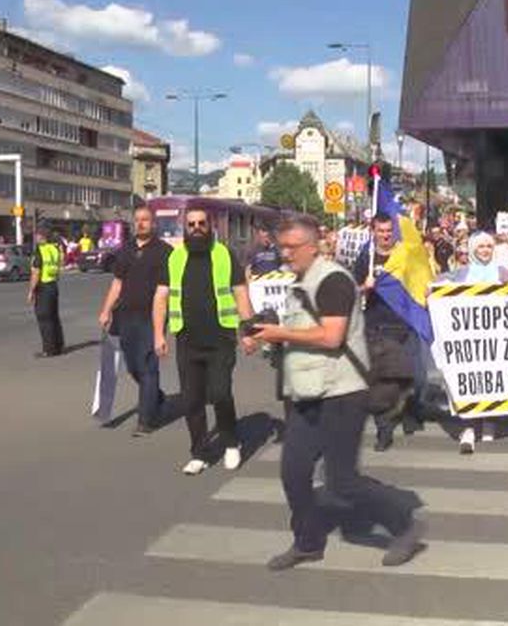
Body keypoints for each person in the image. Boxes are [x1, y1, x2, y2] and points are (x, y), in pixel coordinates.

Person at [252, 214, 426, 571]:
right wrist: (266, 336)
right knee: (294, 472)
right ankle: (307, 542)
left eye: (292, 247)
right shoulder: (301, 280)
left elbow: (331, 336)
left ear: (313, 246)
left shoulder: (333, 280)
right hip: (307, 393)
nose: (285, 254)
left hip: (342, 394)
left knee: (342, 482)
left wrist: (279, 335)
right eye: (282, 246)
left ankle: (404, 527)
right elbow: (303, 330)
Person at [153, 207, 255, 475]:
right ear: (185, 228)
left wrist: (249, 332)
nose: (196, 228)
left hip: (221, 338)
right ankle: (199, 452)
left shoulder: (224, 254)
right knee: (192, 400)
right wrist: (158, 334)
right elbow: (161, 297)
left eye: (201, 223)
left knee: (220, 393)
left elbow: (240, 292)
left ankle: (231, 442)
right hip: (187, 339)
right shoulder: (175, 257)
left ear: (210, 226)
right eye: (191, 224)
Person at [97, 206, 174, 436]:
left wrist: (160, 331)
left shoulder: (164, 252)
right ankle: (155, 397)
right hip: (126, 316)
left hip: (152, 317)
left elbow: (163, 291)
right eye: (137, 220)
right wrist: (106, 310)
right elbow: (117, 284)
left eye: (145, 220)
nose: (141, 223)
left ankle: (146, 420)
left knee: (149, 365)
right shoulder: (126, 250)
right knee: (133, 367)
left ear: (153, 223)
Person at [354, 214, 421, 452]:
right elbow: (353, 290)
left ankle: (408, 408)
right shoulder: (366, 259)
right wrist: (365, 287)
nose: (385, 234)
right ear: (373, 232)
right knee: (382, 380)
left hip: (403, 323)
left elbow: (418, 284)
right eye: (380, 230)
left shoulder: (403, 256)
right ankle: (384, 429)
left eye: (388, 230)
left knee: (410, 376)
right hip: (376, 324)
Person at [446, 232, 508, 454]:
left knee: (491, 378)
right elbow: (440, 285)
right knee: (470, 379)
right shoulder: (463, 273)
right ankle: (469, 428)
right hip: (469, 337)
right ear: (473, 249)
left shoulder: (502, 272)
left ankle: (490, 420)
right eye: (481, 246)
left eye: (489, 246)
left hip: (495, 334)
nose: (485, 250)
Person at [28, 227, 65, 358]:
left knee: (44, 319)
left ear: (41, 237)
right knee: (54, 317)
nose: (35, 238)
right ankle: (59, 346)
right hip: (53, 286)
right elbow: (59, 266)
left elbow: (36, 272)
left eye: (36, 236)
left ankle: (48, 349)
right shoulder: (54, 249)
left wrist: (31, 291)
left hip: (43, 287)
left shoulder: (39, 251)